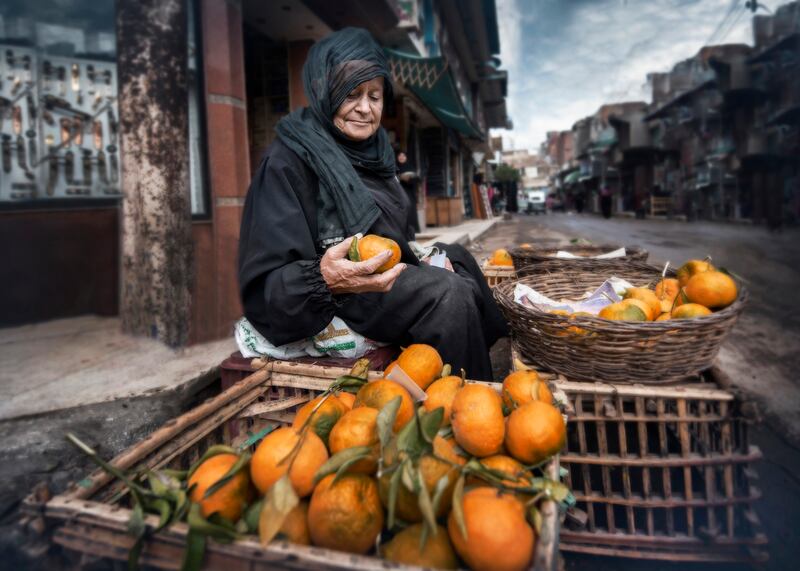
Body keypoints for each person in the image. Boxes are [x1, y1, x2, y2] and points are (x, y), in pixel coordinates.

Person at [238, 28, 508, 380]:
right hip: (335, 295)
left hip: (376, 278)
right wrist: (326, 278)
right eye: (351, 94)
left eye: (375, 96)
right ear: (324, 91)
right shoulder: (287, 162)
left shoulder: (375, 154)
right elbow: (269, 286)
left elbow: (388, 235)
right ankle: (468, 408)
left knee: (458, 257)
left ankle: (478, 363)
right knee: (448, 295)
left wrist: (420, 256)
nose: (365, 109)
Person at [395, 149, 420, 234]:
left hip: (409, 192)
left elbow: (417, 181)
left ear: (406, 157)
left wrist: (409, 179)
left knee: (410, 210)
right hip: (398, 193)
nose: (401, 157)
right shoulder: (395, 167)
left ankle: (413, 230)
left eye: (403, 156)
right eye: (399, 156)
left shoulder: (410, 167)